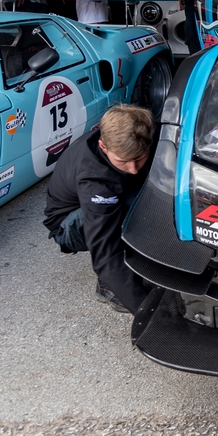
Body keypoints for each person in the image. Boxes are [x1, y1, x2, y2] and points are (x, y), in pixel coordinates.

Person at [43, 105, 154, 314]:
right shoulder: (94, 179)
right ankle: (108, 287)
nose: (133, 169)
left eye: (139, 158)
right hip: (69, 226)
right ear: (103, 147)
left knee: (150, 196)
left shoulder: (137, 135)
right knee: (134, 209)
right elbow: (106, 253)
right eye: (123, 161)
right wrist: (147, 314)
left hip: (107, 199)